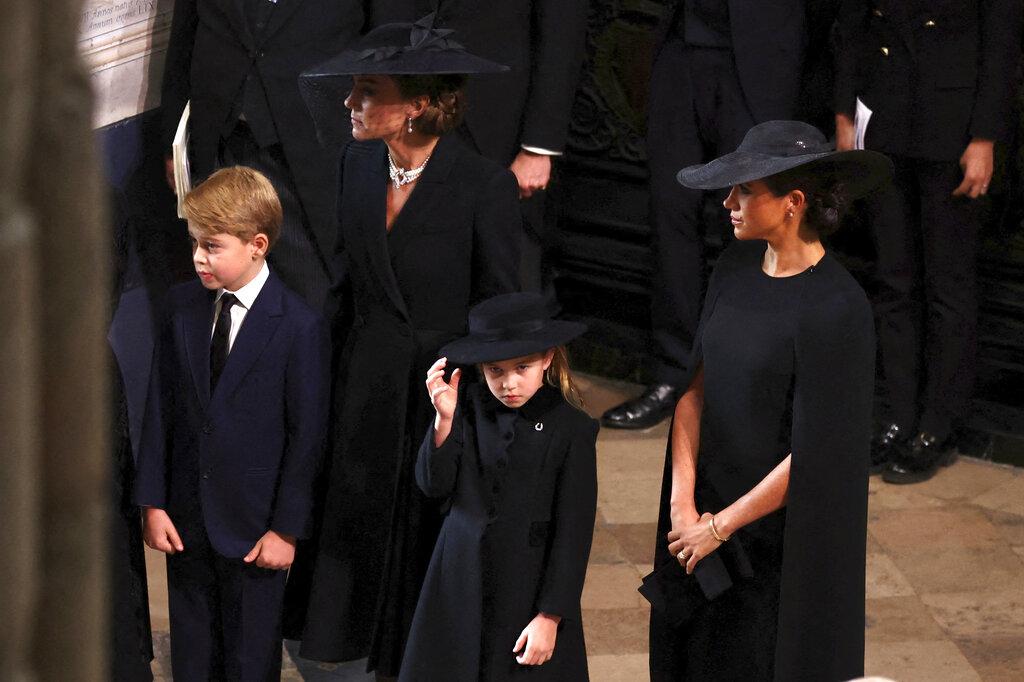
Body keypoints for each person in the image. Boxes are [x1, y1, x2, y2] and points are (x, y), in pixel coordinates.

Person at [284, 16, 522, 679]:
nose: (349, 103)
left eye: (367, 91)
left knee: (416, 535)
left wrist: (471, 409)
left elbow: (499, 307)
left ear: (418, 103)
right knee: (353, 517)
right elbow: (343, 281)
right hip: (363, 380)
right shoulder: (356, 164)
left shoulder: (483, 186)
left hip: (435, 393)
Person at [646, 121, 890, 681]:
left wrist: (721, 527)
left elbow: (820, 452)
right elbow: (694, 391)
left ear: (793, 203)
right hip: (700, 514)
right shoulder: (732, 268)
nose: (728, 202)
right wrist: (683, 505)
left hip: (775, 541)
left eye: (745, 190)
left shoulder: (838, 307)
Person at [134, 167, 330, 681]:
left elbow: (306, 438)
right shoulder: (180, 307)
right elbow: (160, 409)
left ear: (257, 245)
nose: (198, 257)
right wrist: (153, 501)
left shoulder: (299, 326)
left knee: (249, 661)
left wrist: (286, 529)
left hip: (255, 528)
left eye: (212, 246)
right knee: (192, 658)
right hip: (186, 520)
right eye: (194, 243)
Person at [602, 1, 816, 430]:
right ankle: (673, 376)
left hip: (762, 57)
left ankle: (745, 383)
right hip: (680, 48)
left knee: (750, 222)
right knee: (670, 214)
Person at [834, 0, 1023, 483]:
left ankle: (939, 425)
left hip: (954, 129)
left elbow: (1001, 48)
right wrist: (843, 115)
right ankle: (899, 417)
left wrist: (985, 139)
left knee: (947, 287)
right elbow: (851, 26)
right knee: (893, 281)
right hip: (883, 116)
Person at [400, 292, 598, 681]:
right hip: (457, 579)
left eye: (522, 367)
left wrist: (550, 615)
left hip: (524, 588)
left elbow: (574, 532)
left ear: (547, 358)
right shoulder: (464, 408)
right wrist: (443, 420)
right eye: (495, 370)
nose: (509, 383)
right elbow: (433, 485)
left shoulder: (572, 428)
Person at [159, 0, 381, 311]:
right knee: (227, 292)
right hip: (220, 133)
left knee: (311, 291)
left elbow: (389, 34)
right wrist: (171, 137)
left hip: (315, 143)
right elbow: (186, 29)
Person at [380, 0, 589, 289]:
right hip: (402, 109)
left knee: (505, 286)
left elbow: (563, 29)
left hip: (500, 130)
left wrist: (538, 147)